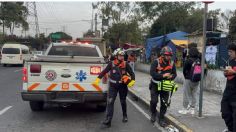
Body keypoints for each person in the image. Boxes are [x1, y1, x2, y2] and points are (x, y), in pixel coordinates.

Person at [92, 48, 135, 128]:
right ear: (116, 56)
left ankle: (124, 115)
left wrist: (132, 81)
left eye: (122, 56)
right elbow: (104, 71)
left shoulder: (126, 64)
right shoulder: (111, 64)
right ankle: (108, 121)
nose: (121, 57)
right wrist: (98, 79)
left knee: (123, 101)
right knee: (110, 102)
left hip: (122, 86)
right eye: (120, 55)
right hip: (112, 86)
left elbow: (132, 74)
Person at [149, 46, 177, 127]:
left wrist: (171, 77)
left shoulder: (172, 63)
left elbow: (175, 74)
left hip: (165, 86)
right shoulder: (156, 62)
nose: (168, 57)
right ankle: (153, 114)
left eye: (170, 55)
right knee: (154, 101)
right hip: (155, 85)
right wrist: (163, 75)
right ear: (162, 55)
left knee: (164, 103)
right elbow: (152, 73)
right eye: (167, 55)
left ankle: (161, 119)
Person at [178, 47, 201, 115]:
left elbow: (184, 70)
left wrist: (186, 77)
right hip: (196, 80)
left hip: (188, 79)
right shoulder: (198, 60)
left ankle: (185, 109)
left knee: (186, 94)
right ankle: (192, 109)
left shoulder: (188, 60)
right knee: (194, 94)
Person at [221, 44, 236, 132]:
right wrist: (225, 73)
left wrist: (233, 71)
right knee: (225, 111)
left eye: (231, 51)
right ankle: (230, 128)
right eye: (228, 51)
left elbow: (233, 72)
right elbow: (226, 73)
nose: (229, 53)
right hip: (228, 92)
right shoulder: (230, 61)